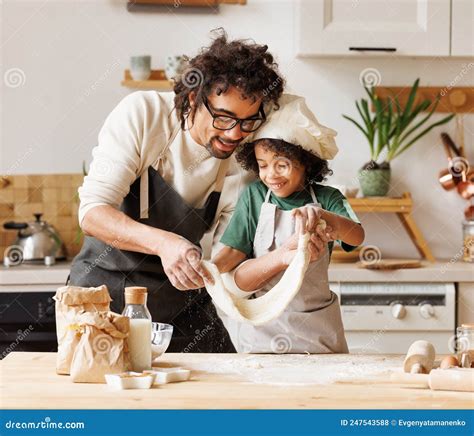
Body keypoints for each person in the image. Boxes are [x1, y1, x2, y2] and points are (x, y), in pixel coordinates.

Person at [69, 30, 285, 353]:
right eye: (224, 117)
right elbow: (92, 213)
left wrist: (284, 256)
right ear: (194, 99)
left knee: (223, 393)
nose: (235, 133)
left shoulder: (244, 163)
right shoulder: (144, 114)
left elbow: (226, 259)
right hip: (104, 291)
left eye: (247, 121)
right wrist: (164, 243)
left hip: (180, 301)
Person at [212, 95, 365, 353]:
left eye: (281, 165)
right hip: (262, 327)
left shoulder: (328, 198)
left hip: (316, 330)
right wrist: (207, 270)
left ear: (305, 162)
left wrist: (326, 218)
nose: (271, 175)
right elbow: (231, 254)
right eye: (262, 166)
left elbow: (357, 236)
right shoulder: (255, 196)